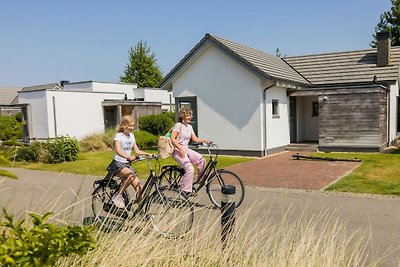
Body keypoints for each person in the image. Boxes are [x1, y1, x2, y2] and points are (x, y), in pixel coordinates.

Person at [107, 115, 151, 209]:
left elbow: (137, 151)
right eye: (129, 125)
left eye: (132, 126)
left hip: (127, 164)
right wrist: (128, 157)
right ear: (123, 125)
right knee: (130, 176)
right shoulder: (118, 136)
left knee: (139, 187)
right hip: (118, 164)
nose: (131, 128)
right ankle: (118, 196)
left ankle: (139, 209)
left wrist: (147, 154)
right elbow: (118, 151)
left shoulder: (132, 136)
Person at [170, 106, 211, 194]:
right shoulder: (178, 125)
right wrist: (180, 148)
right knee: (190, 169)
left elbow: (195, 139)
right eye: (188, 115)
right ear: (183, 116)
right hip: (177, 151)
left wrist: (205, 140)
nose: (190, 117)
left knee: (201, 159)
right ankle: (185, 191)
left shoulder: (189, 127)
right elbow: (172, 139)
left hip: (186, 149)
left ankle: (200, 180)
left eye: (190, 115)